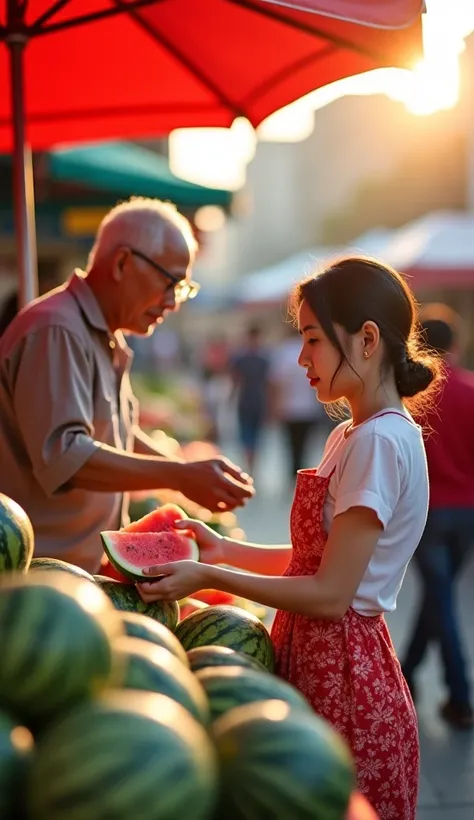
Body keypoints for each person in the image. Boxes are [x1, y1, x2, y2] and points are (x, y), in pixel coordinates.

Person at [137, 256, 443, 820]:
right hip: (324, 660)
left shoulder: (378, 443)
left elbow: (331, 593)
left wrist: (208, 575)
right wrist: (223, 548)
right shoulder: (352, 434)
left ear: (367, 339)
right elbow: (313, 562)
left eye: (312, 340)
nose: (300, 358)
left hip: (344, 678)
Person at [0, 197, 254, 574]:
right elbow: (65, 457)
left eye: (183, 288)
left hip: (77, 571)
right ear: (122, 262)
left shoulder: (102, 336)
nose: (172, 302)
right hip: (36, 576)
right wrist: (178, 475)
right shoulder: (57, 331)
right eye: (170, 282)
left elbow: (114, 433)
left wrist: (184, 471)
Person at [401, 304, 474, 729]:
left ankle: (460, 696)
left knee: (439, 598)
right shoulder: (470, 391)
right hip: (467, 514)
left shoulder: (412, 398)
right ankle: (410, 676)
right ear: (458, 345)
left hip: (426, 514)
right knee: (439, 597)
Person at [269, 324, 329, 480]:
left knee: (291, 444)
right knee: (304, 445)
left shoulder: (283, 352)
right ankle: (301, 472)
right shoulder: (310, 350)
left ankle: (293, 474)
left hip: (288, 407)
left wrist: (275, 406)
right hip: (308, 407)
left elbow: (277, 382)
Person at [231, 325, 271, 473]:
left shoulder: (243, 358)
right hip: (254, 400)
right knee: (252, 435)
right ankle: (252, 464)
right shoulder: (263, 358)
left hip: (249, 400)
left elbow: (236, 380)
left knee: (250, 435)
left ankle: (251, 464)